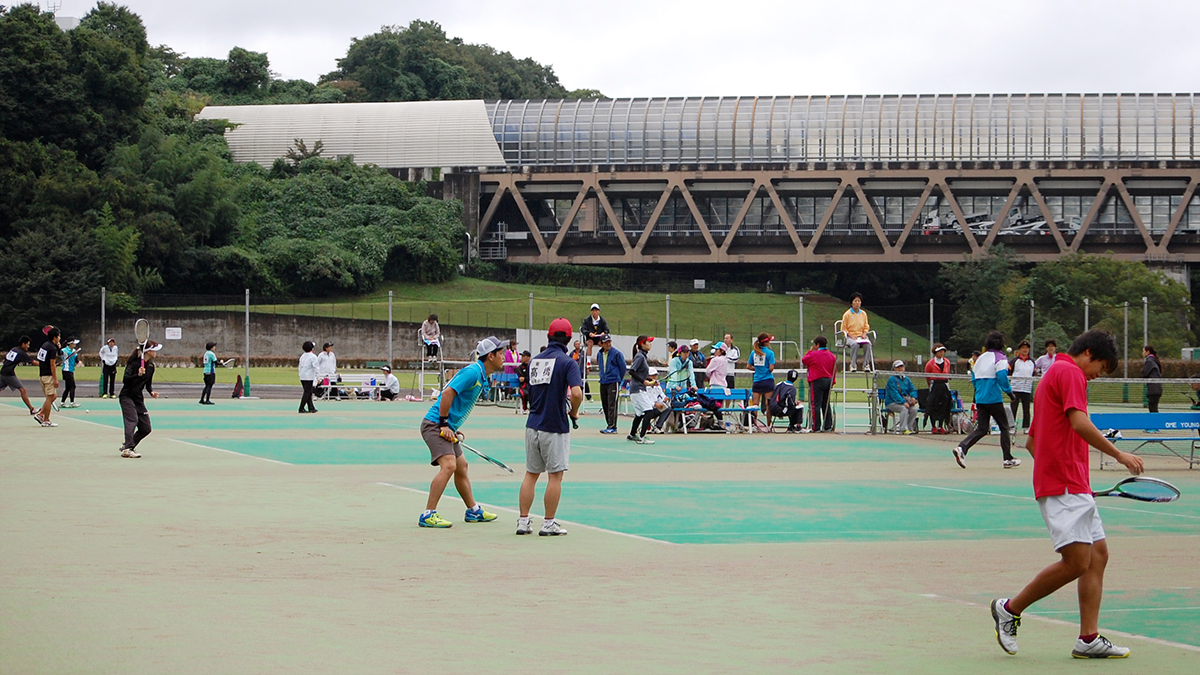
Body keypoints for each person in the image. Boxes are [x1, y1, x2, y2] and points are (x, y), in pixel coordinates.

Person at [989, 330, 1144, 660]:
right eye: (1099, 368)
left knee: (1097, 556)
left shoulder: (1050, 376)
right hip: (1065, 486)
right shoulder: (1071, 372)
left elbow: (1033, 443)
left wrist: (1058, 468)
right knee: (1076, 563)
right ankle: (1009, 608)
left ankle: (1088, 639)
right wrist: (1119, 455)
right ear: (1088, 353)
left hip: (1070, 484)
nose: (1097, 376)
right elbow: (1079, 422)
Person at [418, 336, 506, 528]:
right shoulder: (473, 372)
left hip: (446, 424)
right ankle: (428, 514)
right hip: (434, 424)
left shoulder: (482, 375)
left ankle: (473, 511)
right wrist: (443, 424)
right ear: (490, 356)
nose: (504, 356)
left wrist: (453, 427)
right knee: (449, 465)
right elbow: (448, 393)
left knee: (461, 466)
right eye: (501, 353)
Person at [518, 319, 584, 537]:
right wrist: (573, 412)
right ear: (568, 339)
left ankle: (523, 521)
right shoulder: (568, 362)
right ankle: (548, 523)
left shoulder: (535, 361)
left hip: (532, 424)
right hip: (554, 426)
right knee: (555, 476)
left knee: (531, 474)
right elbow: (576, 393)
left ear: (548, 336)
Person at [954, 331, 1016, 469]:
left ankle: (962, 448)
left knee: (982, 429)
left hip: (981, 398)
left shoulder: (980, 358)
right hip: (993, 398)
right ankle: (1007, 459)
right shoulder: (1000, 358)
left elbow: (974, 378)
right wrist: (1010, 393)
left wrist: (980, 393)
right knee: (1004, 427)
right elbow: (1001, 376)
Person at [117, 341, 161, 458]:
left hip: (138, 398)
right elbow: (126, 380)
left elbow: (148, 384)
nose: (156, 353)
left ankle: (129, 444)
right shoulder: (133, 363)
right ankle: (128, 449)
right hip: (126, 396)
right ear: (148, 351)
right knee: (132, 420)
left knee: (146, 428)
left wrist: (151, 391)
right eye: (154, 350)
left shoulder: (151, 366)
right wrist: (138, 374)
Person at [1, 336, 41, 420]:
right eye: (27, 344)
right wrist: (47, 366)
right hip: (9, 374)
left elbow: (7, 361)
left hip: (3, 372)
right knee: (23, 390)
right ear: (23, 344)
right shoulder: (21, 352)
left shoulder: (14, 349)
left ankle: (32, 409)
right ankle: (32, 409)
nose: (28, 346)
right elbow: (33, 362)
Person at [803, 335, 837, 432]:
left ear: (817, 345)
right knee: (826, 404)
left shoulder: (813, 354)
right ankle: (827, 426)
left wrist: (810, 351)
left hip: (817, 381)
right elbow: (834, 370)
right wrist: (833, 381)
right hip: (828, 381)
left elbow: (804, 360)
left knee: (816, 404)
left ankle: (816, 426)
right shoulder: (832, 355)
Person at [626, 336, 656, 444]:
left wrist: (650, 380)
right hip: (637, 389)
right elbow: (632, 372)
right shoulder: (640, 356)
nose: (650, 344)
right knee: (649, 411)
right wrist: (644, 381)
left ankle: (632, 434)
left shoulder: (642, 356)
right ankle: (642, 437)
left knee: (640, 414)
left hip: (637, 389)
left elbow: (639, 374)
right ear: (642, 344)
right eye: (649, 342)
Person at [596, 334, 626, 434]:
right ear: (601, 344)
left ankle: (612, 426)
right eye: (606, 342)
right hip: (603, 381)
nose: (608, 344)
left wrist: (618, 379)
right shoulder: (599, 354)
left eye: (609, 341)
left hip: (613, 381)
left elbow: (623, 368)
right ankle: (609, 424)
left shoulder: (617, 354)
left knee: (612, 404)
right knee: (605, 404)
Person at [35, 326, 61, 427]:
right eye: (59, 336)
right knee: (49, 398)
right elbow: (52, 364)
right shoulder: (52, 348)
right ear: (55, 337)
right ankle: (46, 419)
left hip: (42, 375)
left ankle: (41, 414)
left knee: (53, 396)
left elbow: (42, 361)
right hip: (48, 376)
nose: (59, 338)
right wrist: (55, 379)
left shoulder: (44, 345)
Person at [885, 360, 919, 434]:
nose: (900, 369)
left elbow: (912, 389)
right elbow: (894, 394)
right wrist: (903, 402)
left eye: (901, 366)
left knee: (914, 409)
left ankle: (909, 428)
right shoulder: (891, 380)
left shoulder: (907, 379)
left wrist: (913, 397)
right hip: (891, 402)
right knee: (904, 409)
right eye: (898, 367)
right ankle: (903, 429)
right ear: (894, 369)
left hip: (904, 401)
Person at [841, 292, 873, 372]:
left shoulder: (863, 314)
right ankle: (853, 365)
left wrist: (864, 334)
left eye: (859, 301)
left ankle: (866, 365)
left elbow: (866, 326)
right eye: (855, 301)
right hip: (850, 337)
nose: (857, 303)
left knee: (868, 344)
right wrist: (851, 335)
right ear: (851, 303)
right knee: (855, 344)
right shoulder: (847, 314)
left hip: (861, 336)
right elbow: (843, 328)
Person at [750, 333, 777, 427]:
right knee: (768, 404)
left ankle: (754, 425)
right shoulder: (770, 353)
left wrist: (757, 369)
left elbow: (748, 366)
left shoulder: (753, 353)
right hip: (767, 381)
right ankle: (769, 425)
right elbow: (771, 368)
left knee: (755, 404)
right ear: (766, 342)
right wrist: (766, 370)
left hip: (757, 381)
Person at [925, 344, 952, 434]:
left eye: (943, 351)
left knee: (944, 406)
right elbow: (927, 376)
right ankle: (933, 426)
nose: (942, 353)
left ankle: (941, 426)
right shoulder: (930, 363)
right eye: (939, 351)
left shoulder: (947, 362)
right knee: (933, 406)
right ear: (935, 352)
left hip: (944, 386)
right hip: (935, 386)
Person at [1009, 340, 1035, 432]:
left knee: (1026, 408)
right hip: (1015, 388)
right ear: (1019, 349)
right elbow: (1009, 372)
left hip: (1027, 389)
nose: (1025, 350)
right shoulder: (1014, 361)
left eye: (1027, 348)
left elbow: (1034, 373)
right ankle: (1011, 427)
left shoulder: (1031, 362)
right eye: (1023, 348)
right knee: (1013, 408)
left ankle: (1026, 427)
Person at [298, 341, 318, 414]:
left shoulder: (302, 356)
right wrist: (318, 377)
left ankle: (311, 407)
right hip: (309, 376)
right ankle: (301, 407)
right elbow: (316, 367)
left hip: (302, 376)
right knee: (307, 392)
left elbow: (300, 366)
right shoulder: (313, 356)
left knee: (308, 392)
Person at [59, 338, 80, 408]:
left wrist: (79, 362)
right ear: (70, 343)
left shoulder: (74, 351)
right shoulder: (64, 350)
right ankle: (72, 402)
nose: (75, 344)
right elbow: (59, 353)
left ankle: (62, 402)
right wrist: (59, 347)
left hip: (71, 370)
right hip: (66, 370)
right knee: (73, 386)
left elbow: (76, 360)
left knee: (68, 388)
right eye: (74, 343)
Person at [1142, 345, 1162, 413]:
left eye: (1143, 351)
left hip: (1153, 388)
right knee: (1153, 408)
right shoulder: (1154, 360)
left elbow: (1144, 373)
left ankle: (1156, 422)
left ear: (1148, 352)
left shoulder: (1150, 361)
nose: (1143, 353)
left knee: (1152, 409)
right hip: (1157, 388)